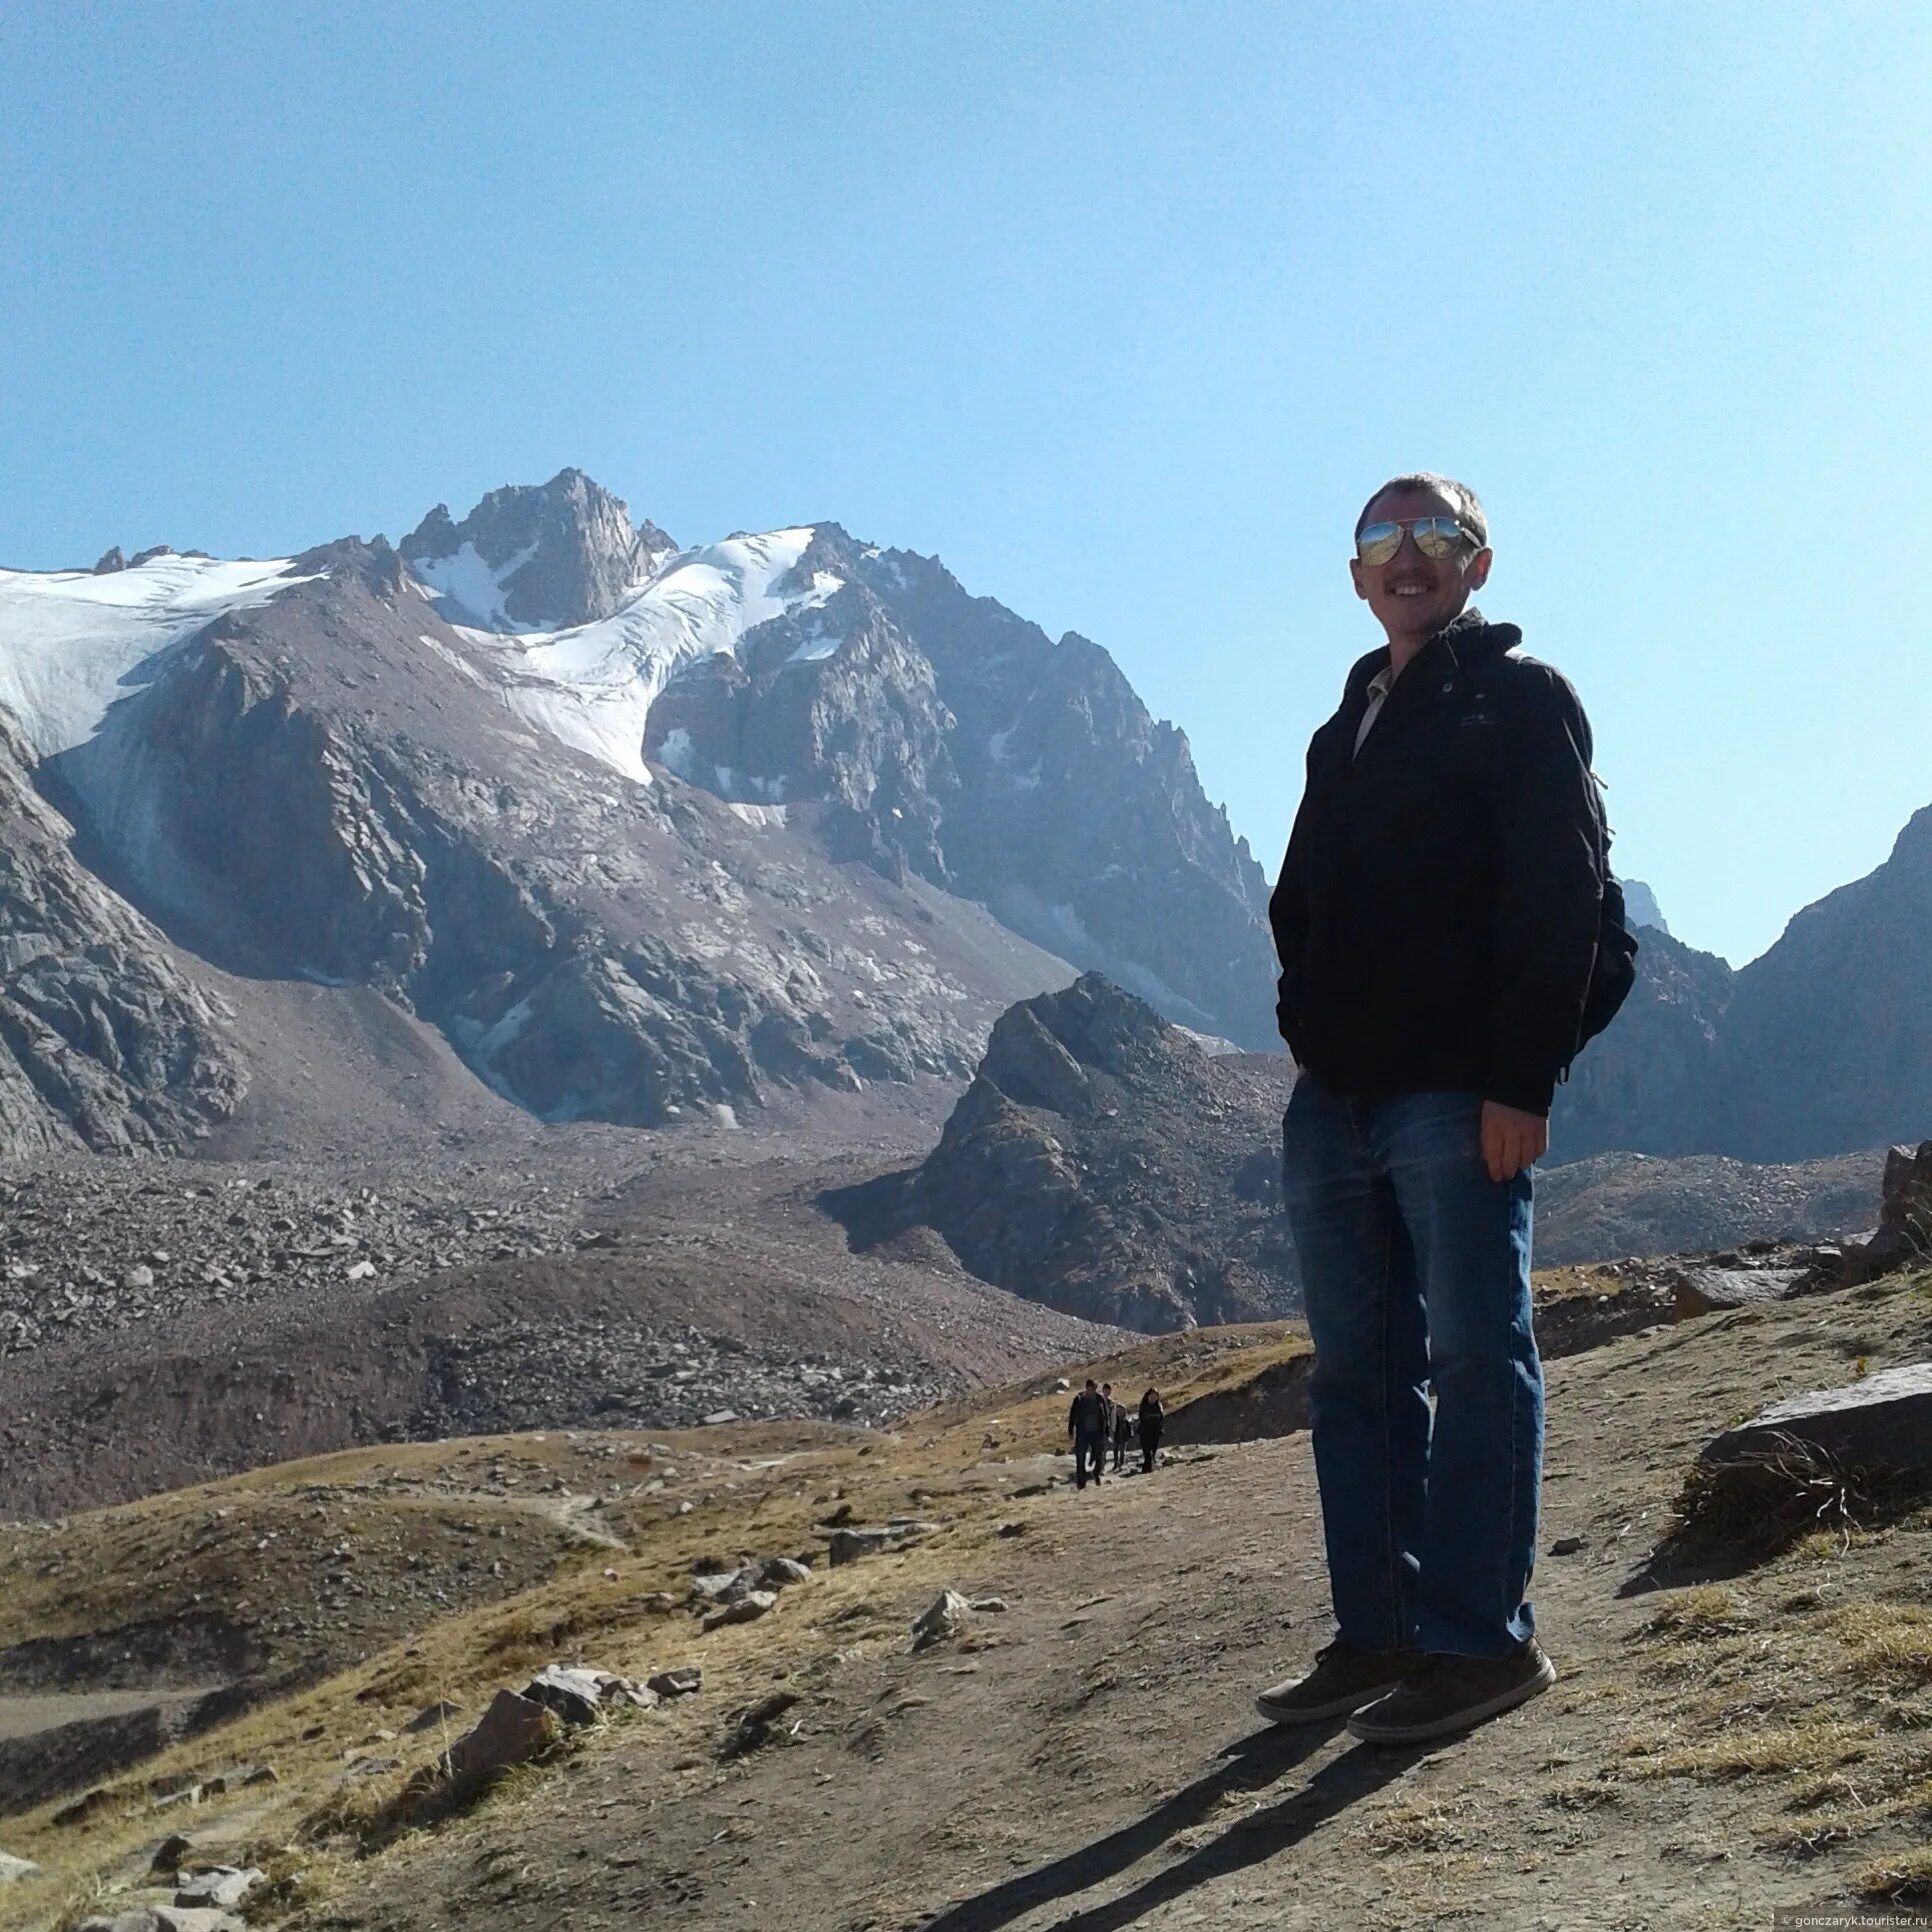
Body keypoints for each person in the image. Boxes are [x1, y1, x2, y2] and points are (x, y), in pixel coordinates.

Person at [1257, 472, 1618, 1746]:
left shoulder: (1520, 701)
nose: (1406, 557)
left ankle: (1482, 1642)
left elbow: (1568, 902)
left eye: (1434, 536)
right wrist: (1311, 1038)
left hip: (1459, 1097)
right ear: (1356, 573)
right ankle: (1382, 1631)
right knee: (1356, 1376)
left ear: (1478, 563)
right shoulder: (1343, 722)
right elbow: (1297, 901)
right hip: (1335, 1104)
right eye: (1380, 539)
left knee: (1475, 1355)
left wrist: (1522, 1080)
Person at [1067, 1378, 1109, 1489]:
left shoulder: (1100, 1399)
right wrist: (1070, 1430)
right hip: (1083, 1433)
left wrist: (1107, 1431)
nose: (1092, 1391)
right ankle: (1081, 1482)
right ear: (1086, 1388)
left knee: (1099, 1456)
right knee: (1080, 1457)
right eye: (1090, 1389)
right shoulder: (1079, 1399)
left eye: (1094, 1389)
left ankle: (1096, 1473)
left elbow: (1105, 1416)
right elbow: (1073, 1416)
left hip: (1097, 1432)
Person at [1138, 1388, 1165, 1472]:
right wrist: (1154, 1417)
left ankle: (1145, 1469)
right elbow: (1143, 1417)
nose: (1153, 1398)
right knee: (1147, 1453)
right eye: (1151, 1396)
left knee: (1153, 1452)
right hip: (1144, 1433)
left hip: (1155, 1433)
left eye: (1155, 1396)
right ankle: (1149, 1470)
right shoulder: (1143, 1405)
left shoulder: (1159, 1406)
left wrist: (1152, 1417)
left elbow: (1161, 1417)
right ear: (1147, 1396)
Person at [1111, 1394, 1135, 1471]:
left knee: (1122, 1452)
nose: (1119, 1412)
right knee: (1115, 1451)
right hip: (1116, 1437)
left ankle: (1121, 1464)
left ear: (1124, 1411)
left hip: (1124, 1438)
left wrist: (1130, 1434)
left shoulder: (1126, 1420)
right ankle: (1115, 1464)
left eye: (1121, 1410)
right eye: (1118, 1410)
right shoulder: (1115, 1420)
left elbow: (1130, 1428)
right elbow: (1113, 1428)